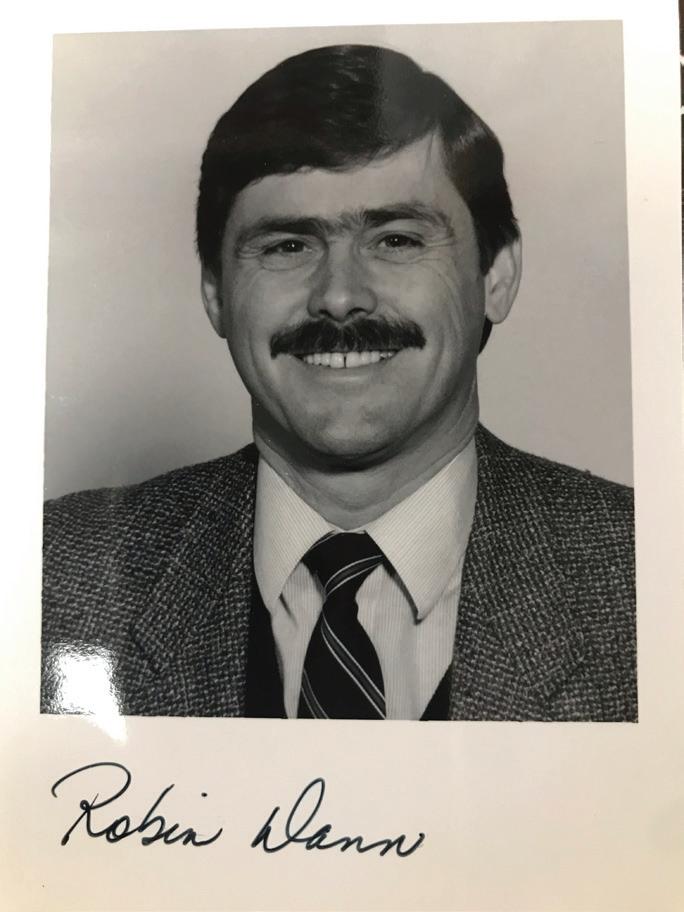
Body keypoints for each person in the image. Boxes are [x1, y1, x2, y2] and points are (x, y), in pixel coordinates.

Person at [41, 44, 637, 722]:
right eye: (288, 245)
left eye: (397, 240)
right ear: (215, 294)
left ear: (495, 276)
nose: (341, 296)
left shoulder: (648, 573)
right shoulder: (50, 577)